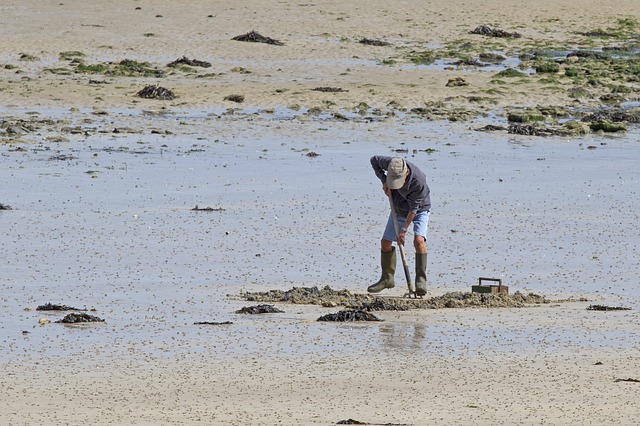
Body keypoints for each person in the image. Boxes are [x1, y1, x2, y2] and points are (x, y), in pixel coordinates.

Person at [369, 155, 431, 296]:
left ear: (406, 173)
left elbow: (414, 209)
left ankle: (420, 280)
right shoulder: (390, 163)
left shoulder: (418, 181)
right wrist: (384, 180)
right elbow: (373, 160)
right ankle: (387, 278)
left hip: (420, 209)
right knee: (385, 242)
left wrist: (403, 230)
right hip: (398, 208)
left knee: (419, 240)